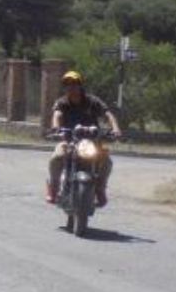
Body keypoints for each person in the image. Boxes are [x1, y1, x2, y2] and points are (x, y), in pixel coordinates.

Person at [47, 71, 122, 207]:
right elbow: (57, 115)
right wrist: (56, 128)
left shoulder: (92, 101)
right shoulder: (62, 102)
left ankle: (100, 188)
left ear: (80, 86)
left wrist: (115, 129)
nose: (71, 87)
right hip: (70, 140)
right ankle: (53, 187)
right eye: (67, 85)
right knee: (56, 157)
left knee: (106, 161)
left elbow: (108, 114)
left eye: (74, 84)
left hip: (92, 141)